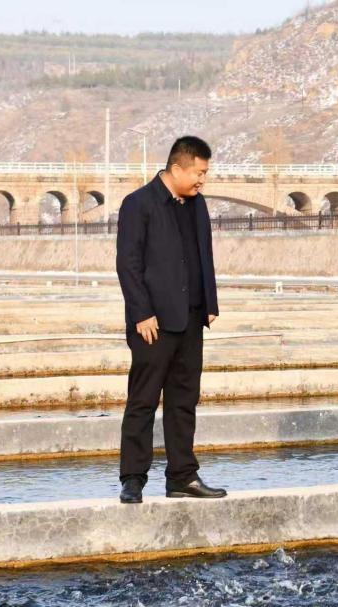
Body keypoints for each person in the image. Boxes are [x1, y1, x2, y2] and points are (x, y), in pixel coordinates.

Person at [115, 136, 226, 503]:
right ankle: (133, 478)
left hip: (191, 319)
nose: (202, 180)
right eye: (199, 173)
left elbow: (203, 254)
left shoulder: (197, 205)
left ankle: (182, 476)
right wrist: (141, 312)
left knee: (183, 400)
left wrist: (209, 302)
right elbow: (128, 264)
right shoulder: (139, 204)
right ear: (177, 168)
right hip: (153, 323)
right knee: (143, 400)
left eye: (205, 174)